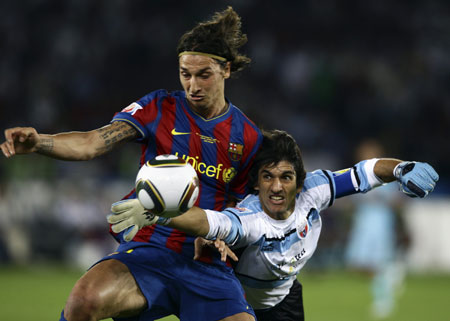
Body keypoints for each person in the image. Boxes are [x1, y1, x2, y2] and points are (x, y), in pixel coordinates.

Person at [1, 7, 262, 321]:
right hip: (148, 249)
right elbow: (92, 142)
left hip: (206, 262)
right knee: (83, 301)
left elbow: (244, 207)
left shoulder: (248, 136)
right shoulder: (158, 107)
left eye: (203, 74)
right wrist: (40, 142)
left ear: (226, 70)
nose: (192, 85)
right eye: (185, 74)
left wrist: (220, 234)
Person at [109, 129, 439, 321]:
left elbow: (366, 172)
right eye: (267, 177)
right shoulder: (251, 219)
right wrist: (161, 212)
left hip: (285, 300)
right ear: (256, 182)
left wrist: (402, 168)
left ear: (300, 180)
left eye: (286, 177)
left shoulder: (317, 189)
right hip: (237, 304)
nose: (277, 187)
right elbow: (210, 223)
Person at [345, 139, 407, 318]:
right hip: (362, 223)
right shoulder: (357, 174)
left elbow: (398, 201)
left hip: (379, 223)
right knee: (357, 264)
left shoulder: (386, 176)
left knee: (376, 263)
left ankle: (384, 301)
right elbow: (351, 200)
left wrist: (381, 200)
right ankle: (392, 273)